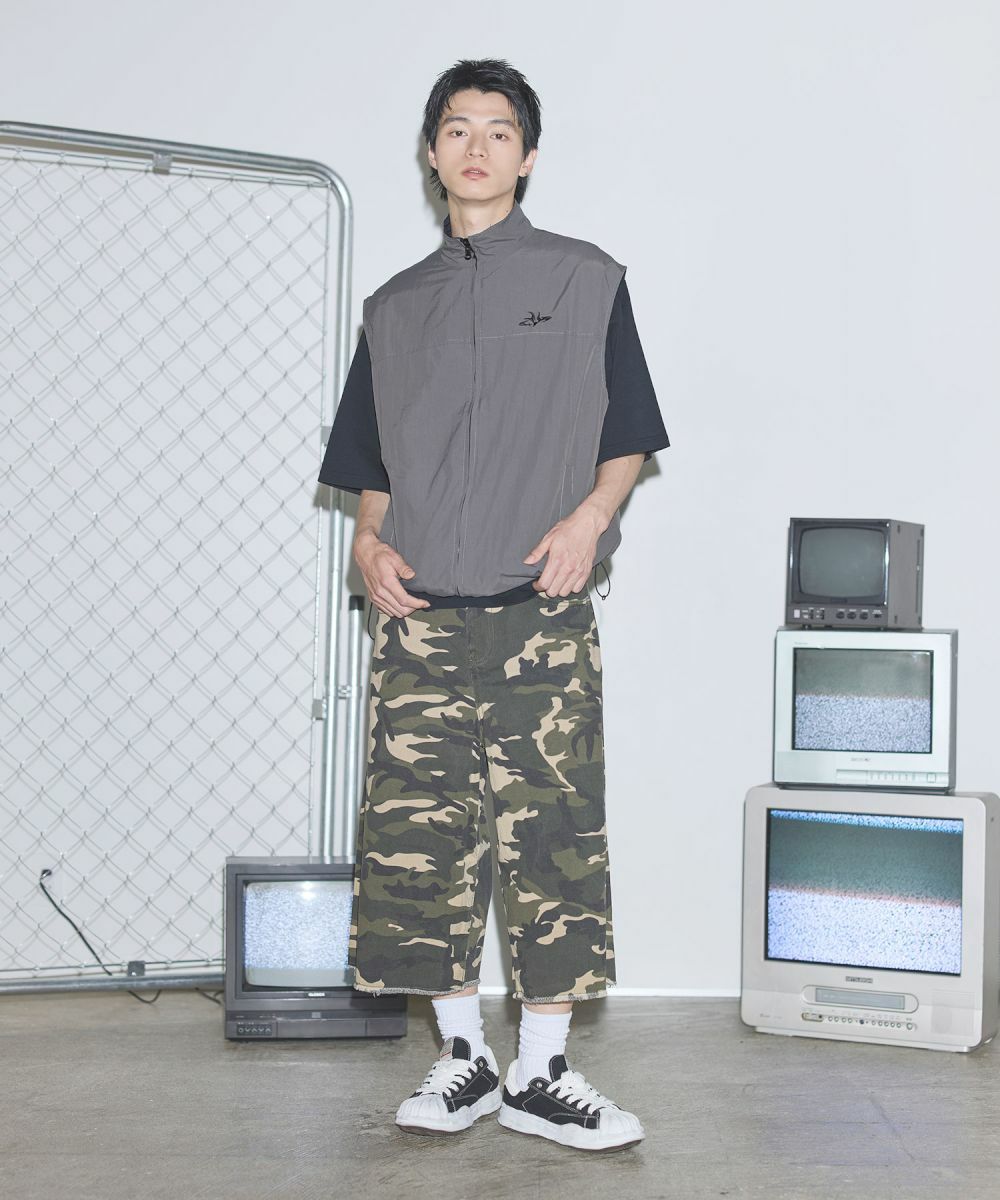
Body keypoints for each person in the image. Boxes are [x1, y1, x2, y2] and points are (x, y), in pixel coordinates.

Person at [318, 58, 669, 1153]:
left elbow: (628, 434)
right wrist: (368, 544)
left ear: (528, 155)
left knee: (552, 838)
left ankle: (544, 1072)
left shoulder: (585, 280)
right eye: (458, 129)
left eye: (499, 130)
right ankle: (463, 1059)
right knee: (419, 840)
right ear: (431, 152)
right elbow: (371, 465)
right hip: (419, 620)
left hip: (536, 617)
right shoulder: (393, 308)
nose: (477, 147)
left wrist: (589, 520)